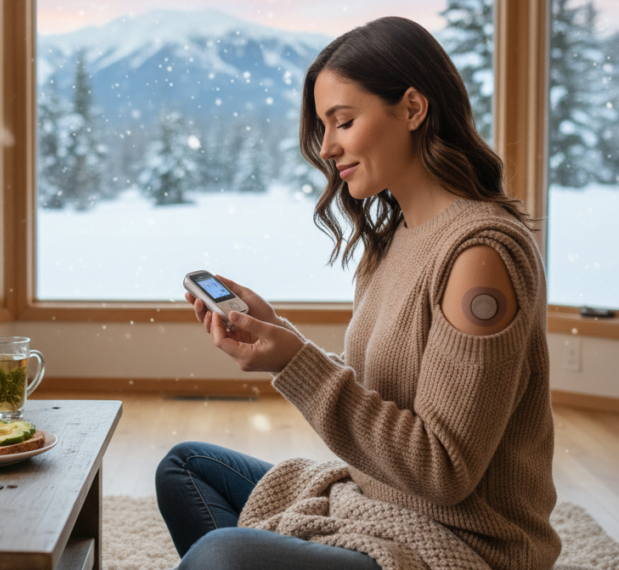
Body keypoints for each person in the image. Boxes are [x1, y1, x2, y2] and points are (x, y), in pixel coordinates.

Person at [155, 16, 562, 570]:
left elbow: (443, 470)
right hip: (376, 503)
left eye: (343, 121)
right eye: (324, 127)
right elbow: (389, 388)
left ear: (413, 109)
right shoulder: (395, 237)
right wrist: (281, 338)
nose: (327, 147)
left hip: (461, 545)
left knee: (222, 553)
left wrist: (295, 363)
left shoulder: (479, 256)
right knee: (185, 467)